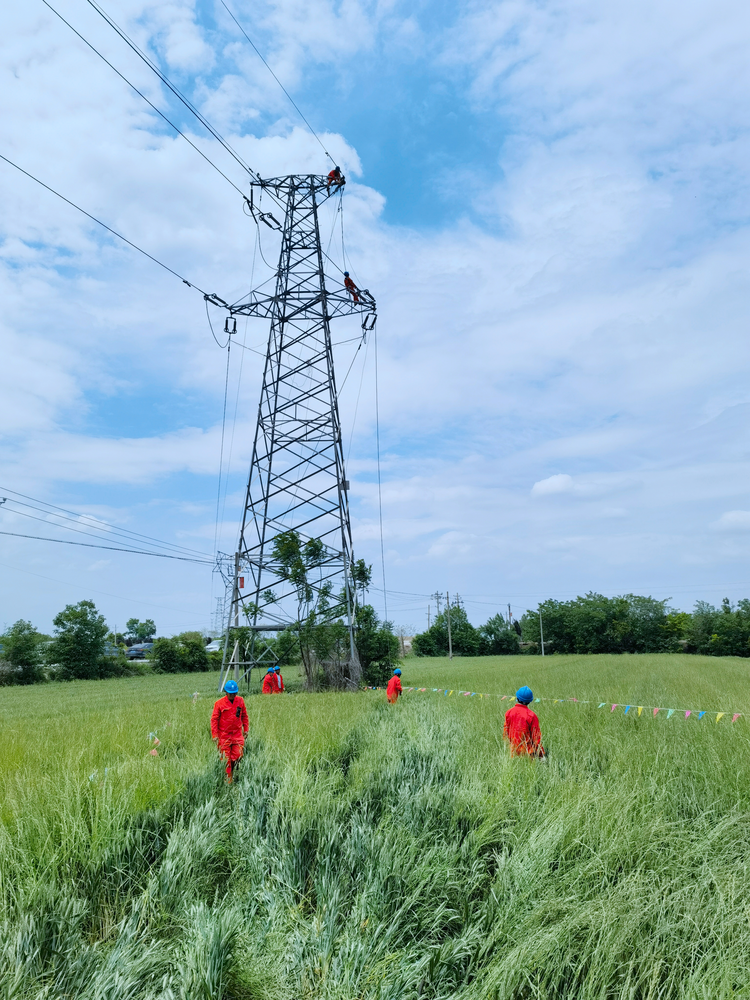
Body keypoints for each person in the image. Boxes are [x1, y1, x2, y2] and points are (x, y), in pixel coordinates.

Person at [211, 679, 249, 782]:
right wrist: (215, 735)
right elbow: (214, 720)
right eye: (230, 693)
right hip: (224, 735)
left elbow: (244, 716)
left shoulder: (240, 701)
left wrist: (246, 729)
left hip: (237, 734)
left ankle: (232, 770)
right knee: (226, 759)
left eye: (234, 693)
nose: (232, 695)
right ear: (226, 692)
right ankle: (229, 781)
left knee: (238, 755)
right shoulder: (219, 704)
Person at [503, 686, 545, 758]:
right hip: (528, 754)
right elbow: (536, 737)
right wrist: (541, 754)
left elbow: (505, 732)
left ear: (517, 698)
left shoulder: (509, 712)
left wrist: (507, 746)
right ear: (530, 701)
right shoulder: (532, 716)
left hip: (513, 752)